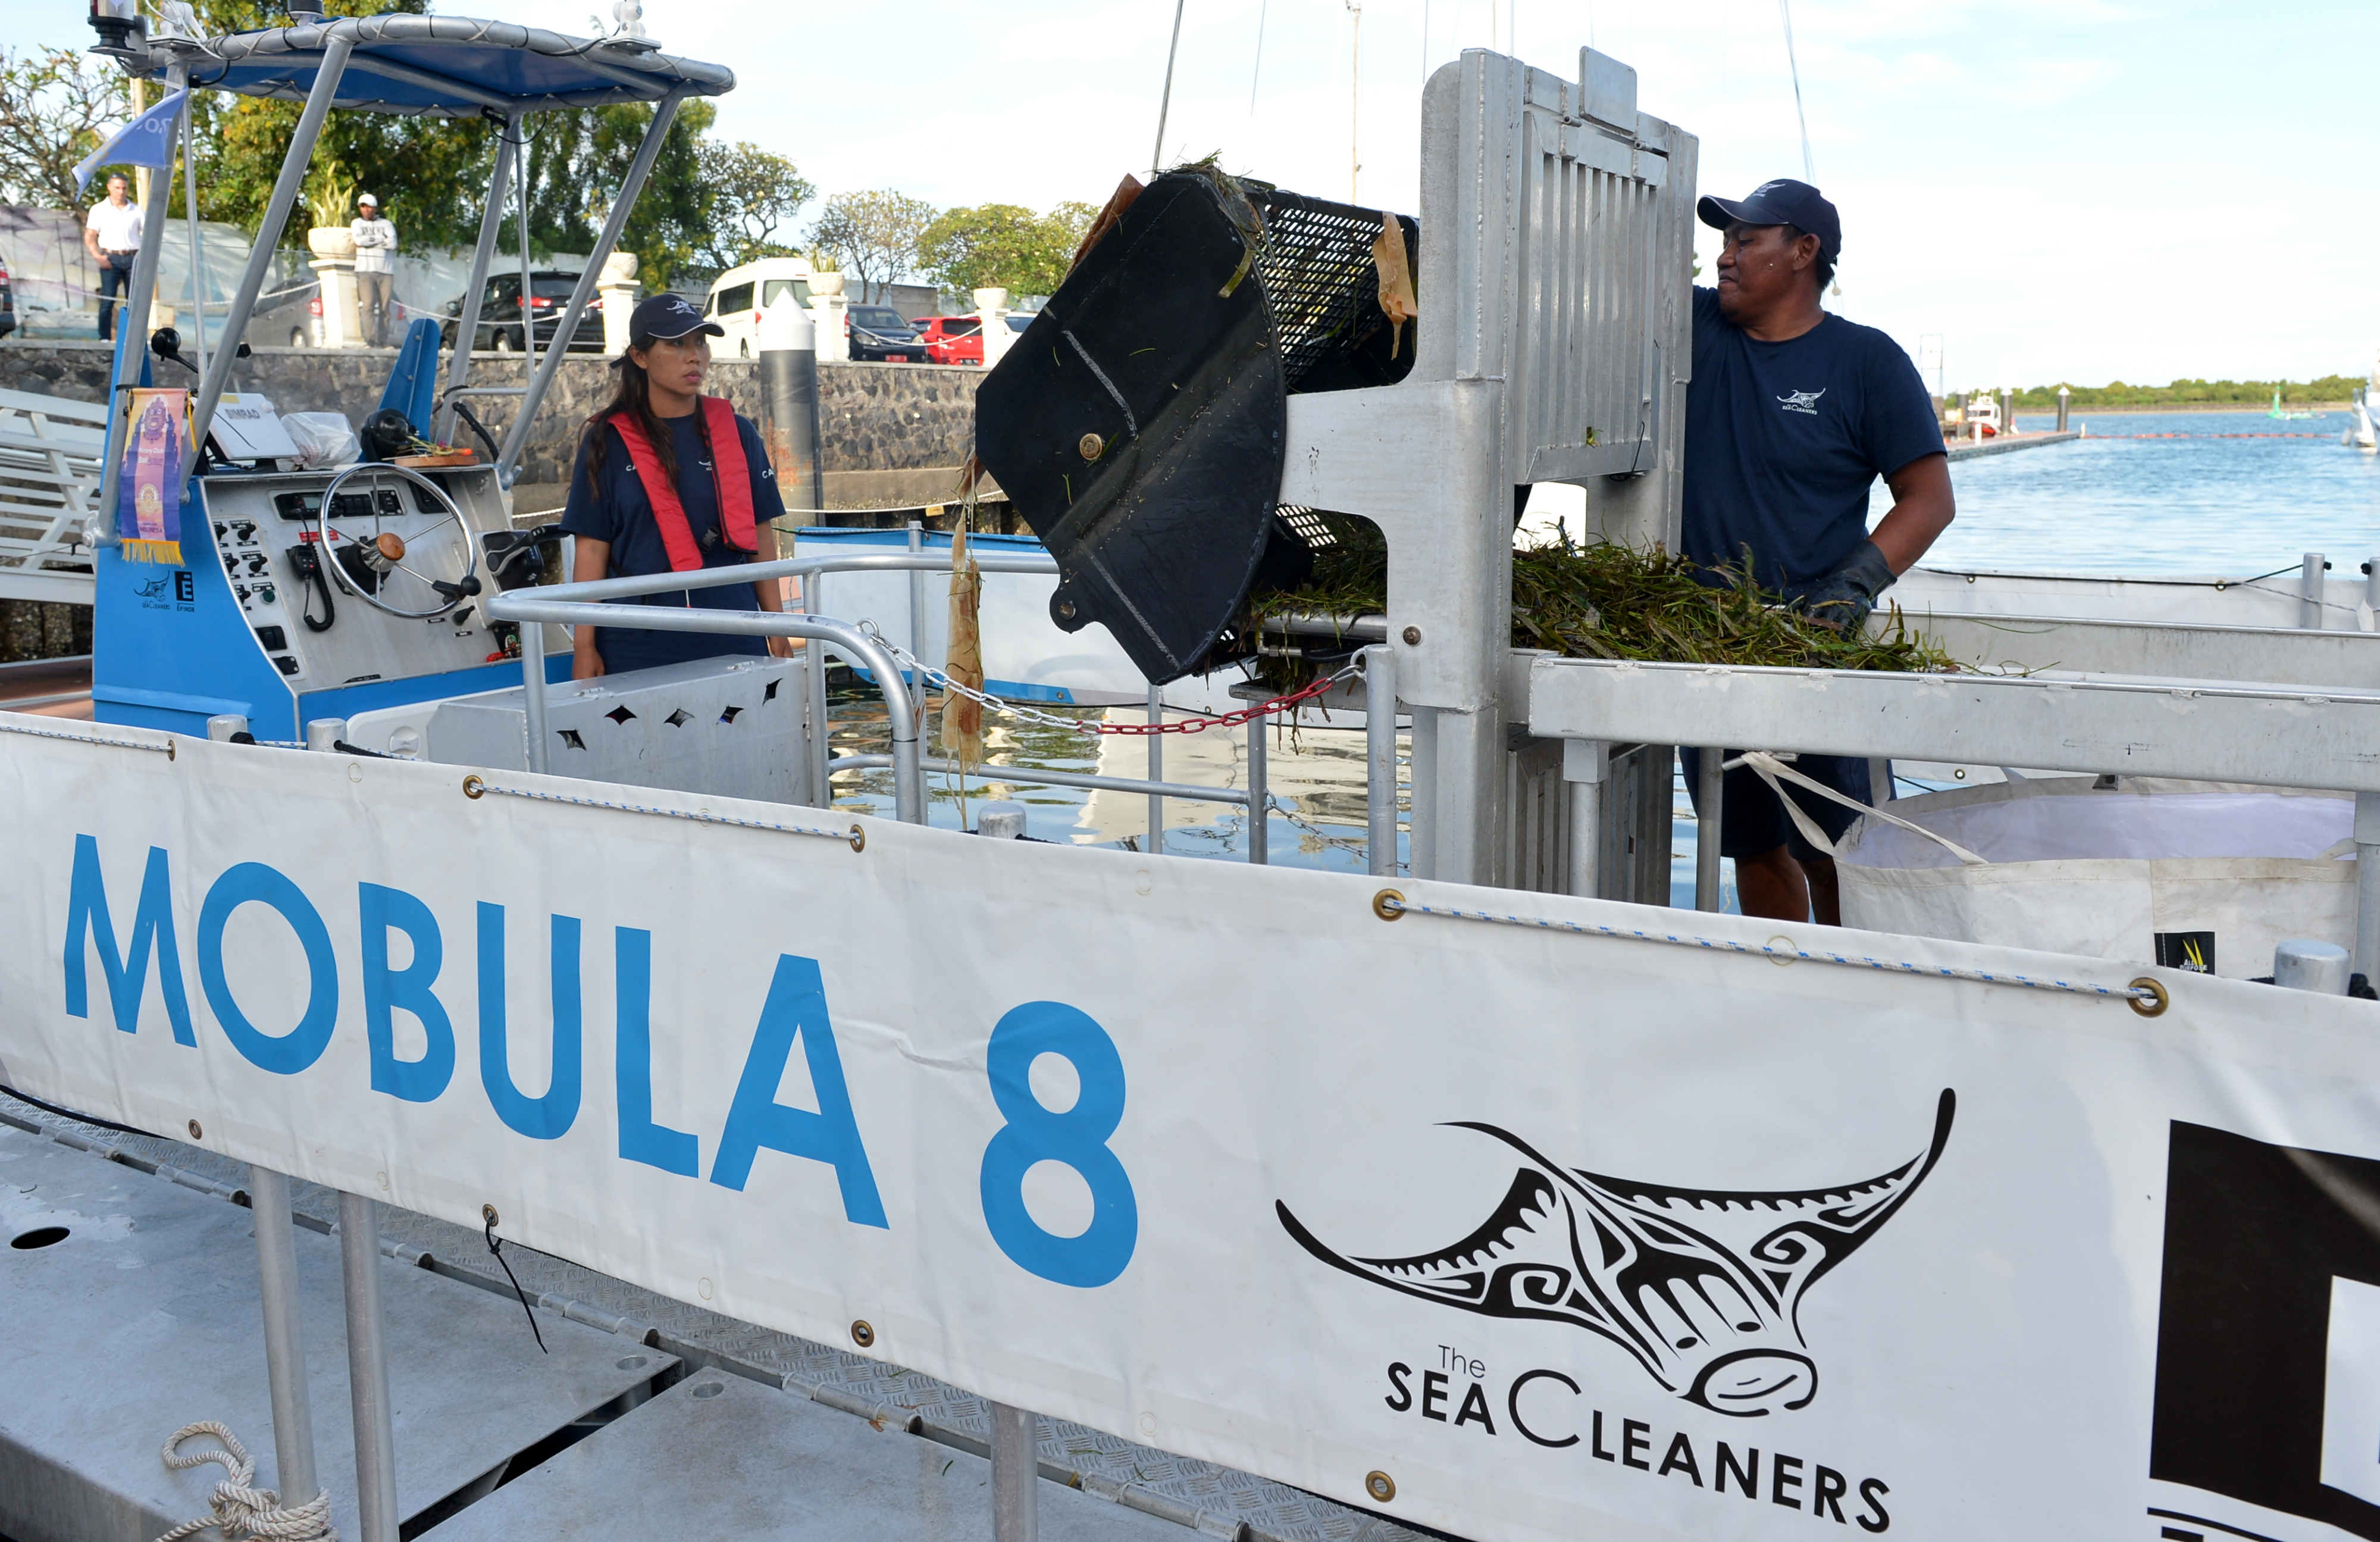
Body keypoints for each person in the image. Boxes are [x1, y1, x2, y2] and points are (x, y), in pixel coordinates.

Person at [1676, 179, 1955, 927]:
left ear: (1804, 252)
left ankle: (1855, 989)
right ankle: (1784, 981)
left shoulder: (1865, 361)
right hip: (1704, 646)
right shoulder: (1696, 326)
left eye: (1745, 240)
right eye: (1723, 242)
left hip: (1816, 646)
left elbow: (1929, 499)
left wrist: (1852, 587)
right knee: (1751, 844)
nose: (1724, 257)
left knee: (1841, 847)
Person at [560, 292, 794, 678]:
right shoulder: (606, 441)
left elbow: (760, 534)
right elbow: (590, 549)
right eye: (676, 343)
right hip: (637, 643)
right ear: (639, 356)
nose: (694, 356)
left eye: (700, 342)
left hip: (734, 633)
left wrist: (778, 629)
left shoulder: (739, 433)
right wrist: (584, 646)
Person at [83, 173, 142, 341]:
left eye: (124, 188)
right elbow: (90, 235)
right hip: (110, 257)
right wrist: (97, 256)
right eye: (117, 188)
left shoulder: (136, 210)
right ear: (109, 187)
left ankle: (133, 338)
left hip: (132, 258)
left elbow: (148, 234)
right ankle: (104, 337)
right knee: (108, 299)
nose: (121, 192)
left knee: (135, 301)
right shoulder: (99, 209)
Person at [350, 193, 396, 348]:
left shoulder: (387, 224)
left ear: (375, 208)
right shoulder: (356, 223)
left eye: (369, 207)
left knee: (385, 308)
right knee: (368, 305)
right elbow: (359, 240)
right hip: (365, 270)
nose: (366, 210)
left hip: (386, 270)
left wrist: (369, 242)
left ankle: (383, 342)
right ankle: (370, 340)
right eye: (363, 207)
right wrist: (380, 239)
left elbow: (392, 243)